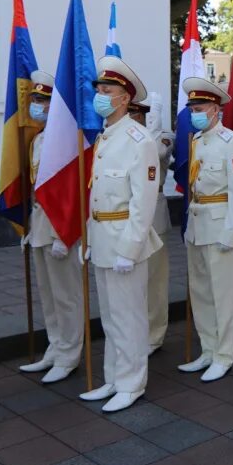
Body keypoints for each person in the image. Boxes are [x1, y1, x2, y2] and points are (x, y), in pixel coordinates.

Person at [80, 56, 162, 412]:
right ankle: (113, 377)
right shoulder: (106, 137)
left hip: (125, 241)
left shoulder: (138, 139)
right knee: (111, 316)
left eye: (107, 89)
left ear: (125, 98)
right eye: (99, 88)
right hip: (102, 237)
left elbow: (143, 203)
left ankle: (132, 382)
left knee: (129, 315)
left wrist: (130, 248)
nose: (100, 94)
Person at [178, 78, 233, 382]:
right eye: (192, 107)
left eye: (201, 107)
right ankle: (208, 349)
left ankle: (224, 355)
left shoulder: (230, 142)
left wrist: (231, 230)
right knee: (202, 293)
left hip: (220, 225)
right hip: (198, 223)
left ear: (216, 109)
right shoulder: (197, 141)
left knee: (223, 295)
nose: (196, 112)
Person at [19, 71, 83, 384]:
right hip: (40, 224)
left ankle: (70, 353)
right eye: (34, 99)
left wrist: (63, 232)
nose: (36, 105)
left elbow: (72, 190)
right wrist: (32, 228)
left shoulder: (66, 141)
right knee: (47, 292)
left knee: (66, 294)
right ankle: (55, 346)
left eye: (42, 100)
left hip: (60, 227)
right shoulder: (39, 140)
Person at [128, 98, 174, 355]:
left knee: (155, 279)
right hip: (129, 212)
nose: (133, 117)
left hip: (154, 213)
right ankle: (136, 331)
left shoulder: (163, 135)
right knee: (133, 280)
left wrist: (152, 127)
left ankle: (155, 334)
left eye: (138, 113)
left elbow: (157, 152)